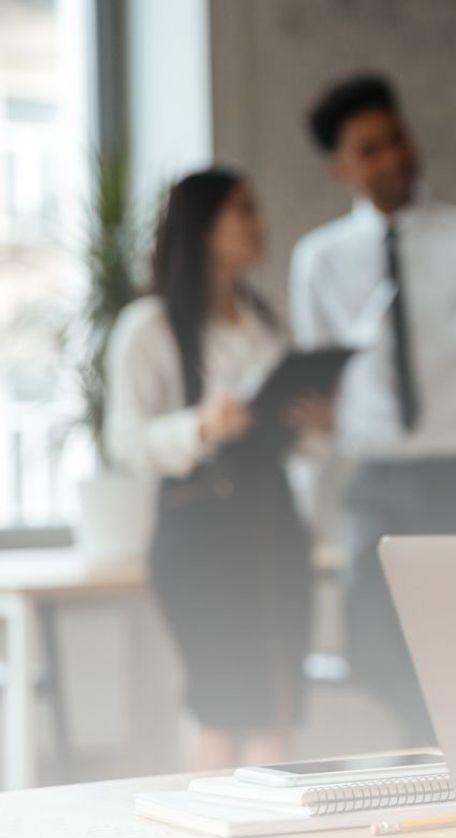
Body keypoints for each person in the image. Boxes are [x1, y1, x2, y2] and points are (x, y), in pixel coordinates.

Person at [289, 75, 456, 744]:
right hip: (377, 481)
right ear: (342, 168)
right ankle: (424, 754)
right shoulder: (319, 260)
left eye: (397, 139)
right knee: (372, 646)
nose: (393, 158)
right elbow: (315, 386)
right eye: (370, 149)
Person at [107, 169, 330, 768]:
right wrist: (201, 427)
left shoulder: (264, 321)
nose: (259, 224)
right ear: (204, 228)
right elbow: (125, 441)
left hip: (273, 522)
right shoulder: (149, 327)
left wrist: (314, 423)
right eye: (243, 210)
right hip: (201, 532)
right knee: (225, 700)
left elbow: (297, 446)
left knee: (281, 695)